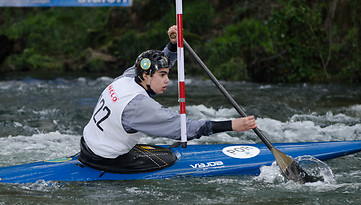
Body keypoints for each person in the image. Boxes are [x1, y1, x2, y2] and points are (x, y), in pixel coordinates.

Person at [78, 25, 257, 173]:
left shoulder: (128, 76)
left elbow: (162, 62)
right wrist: (232, 125)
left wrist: (173, 45)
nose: (167, 80)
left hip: (87, 145)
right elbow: (184, 130)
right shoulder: (139, 106)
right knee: (170, 158)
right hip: (105, 159)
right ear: (147, 77)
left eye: (167, 74)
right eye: (163, 75)